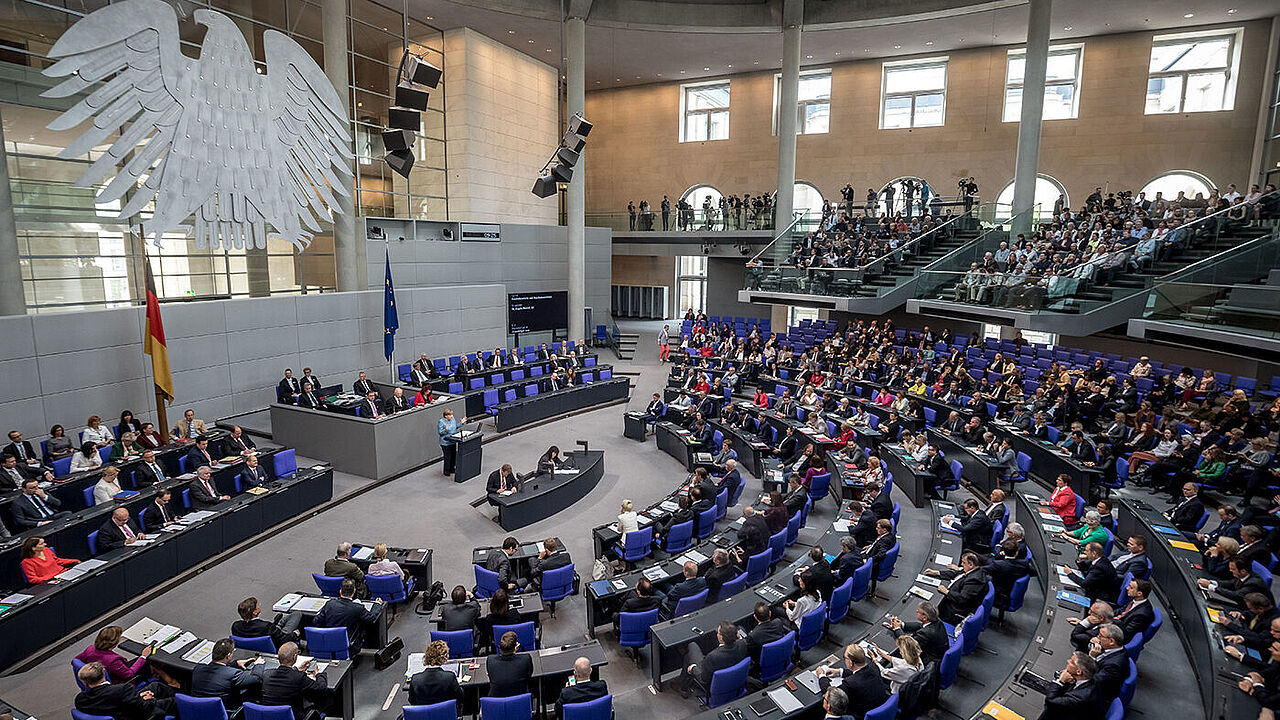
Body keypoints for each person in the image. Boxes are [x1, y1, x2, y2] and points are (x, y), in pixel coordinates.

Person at [75, 661, 174, 720]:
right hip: (136, 715)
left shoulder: (80, 700)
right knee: (173, 701)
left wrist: (139, 697)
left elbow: (113, 703)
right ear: (103, 673)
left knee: (155, 686)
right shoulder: (122, 689)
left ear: (84, 682)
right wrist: (148, 699)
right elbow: (145, 707)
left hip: (123, 708)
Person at [674, 620, 747, 698]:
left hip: (714, 685)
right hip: (734, 680)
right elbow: (743, 638)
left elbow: (703, 679)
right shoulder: (743, 644)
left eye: (718, 632)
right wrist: (740, 638)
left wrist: (693, 668)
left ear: (721, 637)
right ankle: (683, 685)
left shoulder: (712, 657)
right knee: (689, 654)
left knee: (692, 647)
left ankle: (683, 687)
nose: (716, 633)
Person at [815, 644, 890, 717]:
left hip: (860, 715)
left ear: (851, 663)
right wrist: (840, 672)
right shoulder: (873, 667)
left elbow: (830, 695)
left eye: (845, 658)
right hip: (882, 709)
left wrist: (821, 675)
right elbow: (861, 672)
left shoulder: (849, 684)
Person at [260, 641, 330, 718]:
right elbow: (321, 688)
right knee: (326, 698)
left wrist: (296, 669)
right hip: (294, 716)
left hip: (270, 717)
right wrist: (318, 674)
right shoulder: (298, 677)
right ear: (295, 657)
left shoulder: (266, 674)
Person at [313, 579, 384, 655]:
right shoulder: (357, 608)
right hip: (350, 644)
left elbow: (316, 621)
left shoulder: (330, 604)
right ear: (354, 591)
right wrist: (377, 604)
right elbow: (371, 618)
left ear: (340, 591)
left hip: (329, 640)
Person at [190, 638, 263, 710]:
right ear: (228, 656)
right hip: (222, 712)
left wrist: (235, 663)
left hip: (198, 711)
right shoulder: (234, 674)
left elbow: (218, 670)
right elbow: (256, 679)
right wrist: (258, 665)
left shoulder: (198, 669)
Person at [75, 626, 153, 683]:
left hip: (106, 674)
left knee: (142, 661)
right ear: (115, 642)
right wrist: (143, 656)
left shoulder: (90, 649)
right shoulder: (112, 661)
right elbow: (128, 675)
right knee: (151, 663)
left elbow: (77, 660)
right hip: (120, 682)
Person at [1039, 651, 1103, 719]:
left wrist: (1060, 681)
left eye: (1072, 662)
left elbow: (1051, 701)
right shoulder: (1084, 681)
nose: (1068, 661)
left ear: (1078, 672)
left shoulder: (1081, 697)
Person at [408, 639, 464, 707]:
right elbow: (460, 697)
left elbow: (412, 700)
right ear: (445, 658)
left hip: (424, 716)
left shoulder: (415, 679)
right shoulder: (449, 677)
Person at [937, 553, 989, 624]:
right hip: (953, 600)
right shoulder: (973, 570)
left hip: (954, 611)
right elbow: (956, 574)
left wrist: (947, 592)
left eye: (964, 563)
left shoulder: (975, 580)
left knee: (929, 607)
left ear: (971, 565)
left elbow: (962, 598)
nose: (961, 564)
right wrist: (937, 572)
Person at [233, 596, 302, 649]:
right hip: (279, 642)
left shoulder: (235, 626)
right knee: (297, 614)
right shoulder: (266, 626)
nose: (259, 605)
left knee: (278, 623)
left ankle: (278, 624)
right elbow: (284, 639)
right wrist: (295, 634)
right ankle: (279, 625)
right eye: (258, 606)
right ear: (255, 612)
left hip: (265, 639)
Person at [486, 631, 533, 697]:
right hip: (520, 700)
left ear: (500, 647)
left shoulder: (490, 660)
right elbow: (528, 676)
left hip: (497, 703)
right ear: (516, 647)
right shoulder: (526, 659)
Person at [438, 409, 469, 476]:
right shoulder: (441, 422)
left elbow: (455, 427)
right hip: (445, 442)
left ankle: (452, 469)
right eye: (450, 415)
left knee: (453, 456)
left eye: (452, 415)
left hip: (453, 440)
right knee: (447, 457)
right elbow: (440, 433)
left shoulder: (452, 419)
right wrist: (445, 430)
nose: (452, 416)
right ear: (446, 416)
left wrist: (462, 423)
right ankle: (446, 471)